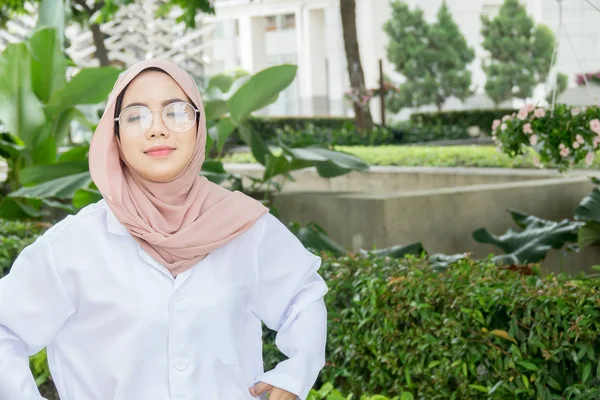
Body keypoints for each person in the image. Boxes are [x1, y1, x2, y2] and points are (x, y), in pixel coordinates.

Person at [0, 59, 328, 400]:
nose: (157, 128)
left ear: (199, 125)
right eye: (135, 116)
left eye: (176, 112)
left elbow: (302, 294)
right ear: (115, 135)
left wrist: (296, 372)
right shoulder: (74, 245)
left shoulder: (244, 227)